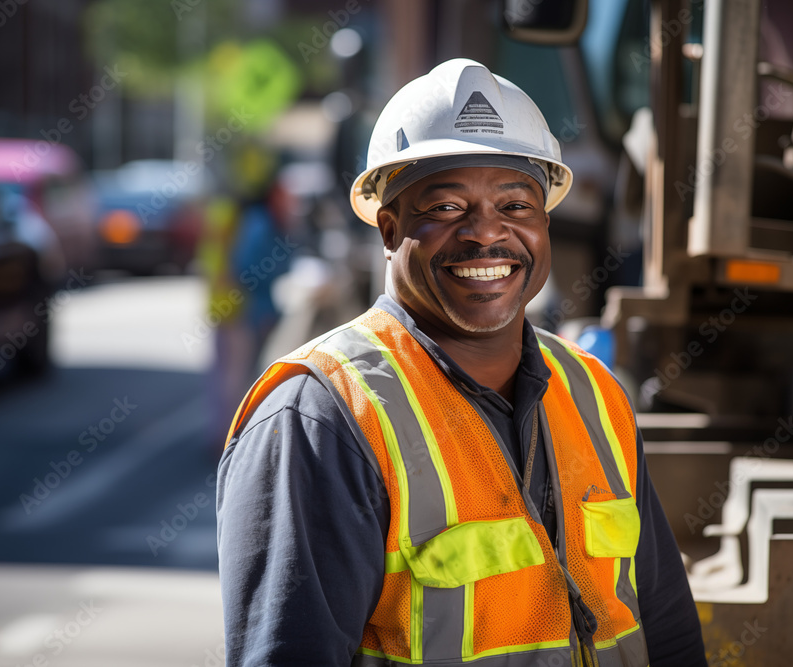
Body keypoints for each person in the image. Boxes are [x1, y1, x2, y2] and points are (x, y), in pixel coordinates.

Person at [217, 58, 706, 666]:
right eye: (447, 208)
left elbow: (664, 624)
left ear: (546, 222)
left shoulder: (594, 392)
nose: (486, 235)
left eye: (516, 205)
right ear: (390, 229)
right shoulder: (321, 417)